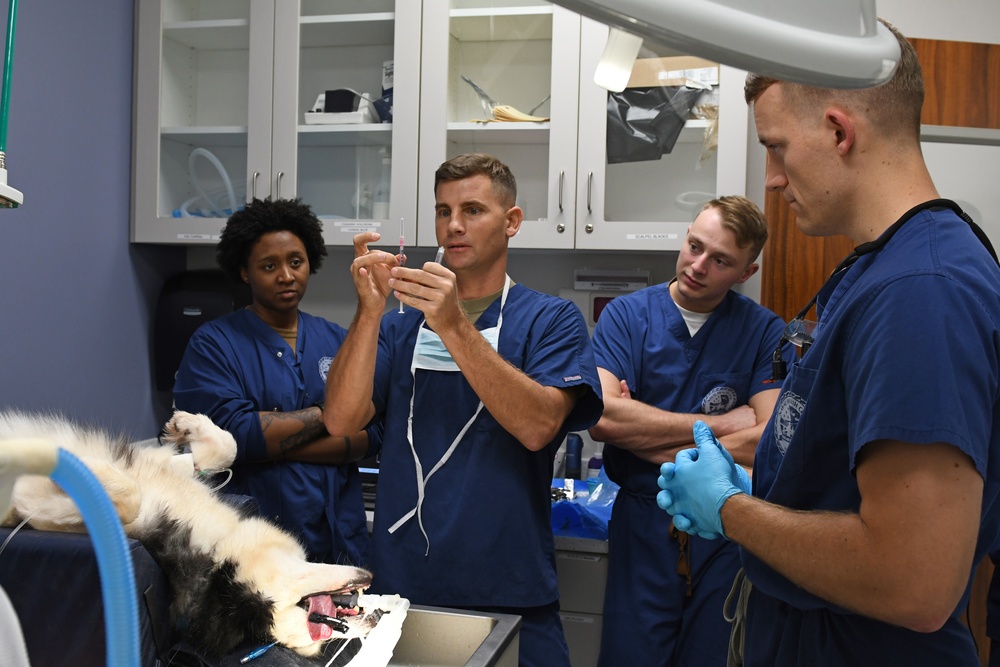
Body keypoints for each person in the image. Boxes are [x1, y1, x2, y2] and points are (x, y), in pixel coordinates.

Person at [655, 21, 1000, 667]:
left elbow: (913, 580)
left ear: (840, 132)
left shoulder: (922, 290)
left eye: (777, 147)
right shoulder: (880, 270)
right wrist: (754, 487)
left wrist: (731, 510)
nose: (773, 179)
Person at [323, 153, 603, 667]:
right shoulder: (400, 326)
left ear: (511, 222)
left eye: (472, 210)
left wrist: (453, 324)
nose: (453, 225)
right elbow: (341, 420)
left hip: (509, 585)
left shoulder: (550, 319)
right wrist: (369, 310)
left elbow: (539, 427)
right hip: (405, 588)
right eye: (443, 210)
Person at [589, 196, 793, 667]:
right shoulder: (626, 316)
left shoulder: (765, 332)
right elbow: (602, 419)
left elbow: (768, 439)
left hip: (727, 530)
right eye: (694, 246)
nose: (698, 265)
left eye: (720, 260)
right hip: (643, 524)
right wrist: (726, 424)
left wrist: (642, 428)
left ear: (746, 271)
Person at [173, 197, 378, 567]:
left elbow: (370, 435)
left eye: (295, 262)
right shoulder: (213, 344)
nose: (286, 275)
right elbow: (235, 437)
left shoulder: (338, 341)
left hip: (337, 540)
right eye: (269, 266)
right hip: (249, 544)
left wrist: (271, 444)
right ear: (245, 272)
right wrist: (332, 416)